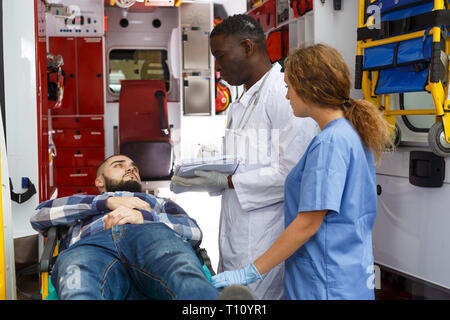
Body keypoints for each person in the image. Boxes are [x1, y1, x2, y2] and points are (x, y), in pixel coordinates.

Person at [210, 44, 394, 300]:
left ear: (309, 88)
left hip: (326, 283)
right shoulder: (349, 134)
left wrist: (250, 272)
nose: (286, 96)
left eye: (288, 87)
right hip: (347, 276)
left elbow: (307, 224)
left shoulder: (330, 143)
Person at [171, 14, 318, 300]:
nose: (217, 66)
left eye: (221, 55)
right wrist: (202, 177)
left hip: (265, 234)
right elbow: (243, 162)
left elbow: (292, 173)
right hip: (235, 228)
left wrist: (226, 181)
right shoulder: (242, 101)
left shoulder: (282, 94)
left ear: (248, 48)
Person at [30, 154, 219, 300]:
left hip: (151, 238)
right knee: (80, 288)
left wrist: (144, 216)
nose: (130, 169)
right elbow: (40, 215)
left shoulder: (158, 202)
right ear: (99, 182)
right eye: (119, 165)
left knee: (182, 274)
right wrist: (106, 203)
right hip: (91, 247)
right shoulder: (84, 205)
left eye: (133, 167)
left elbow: (194, 232)